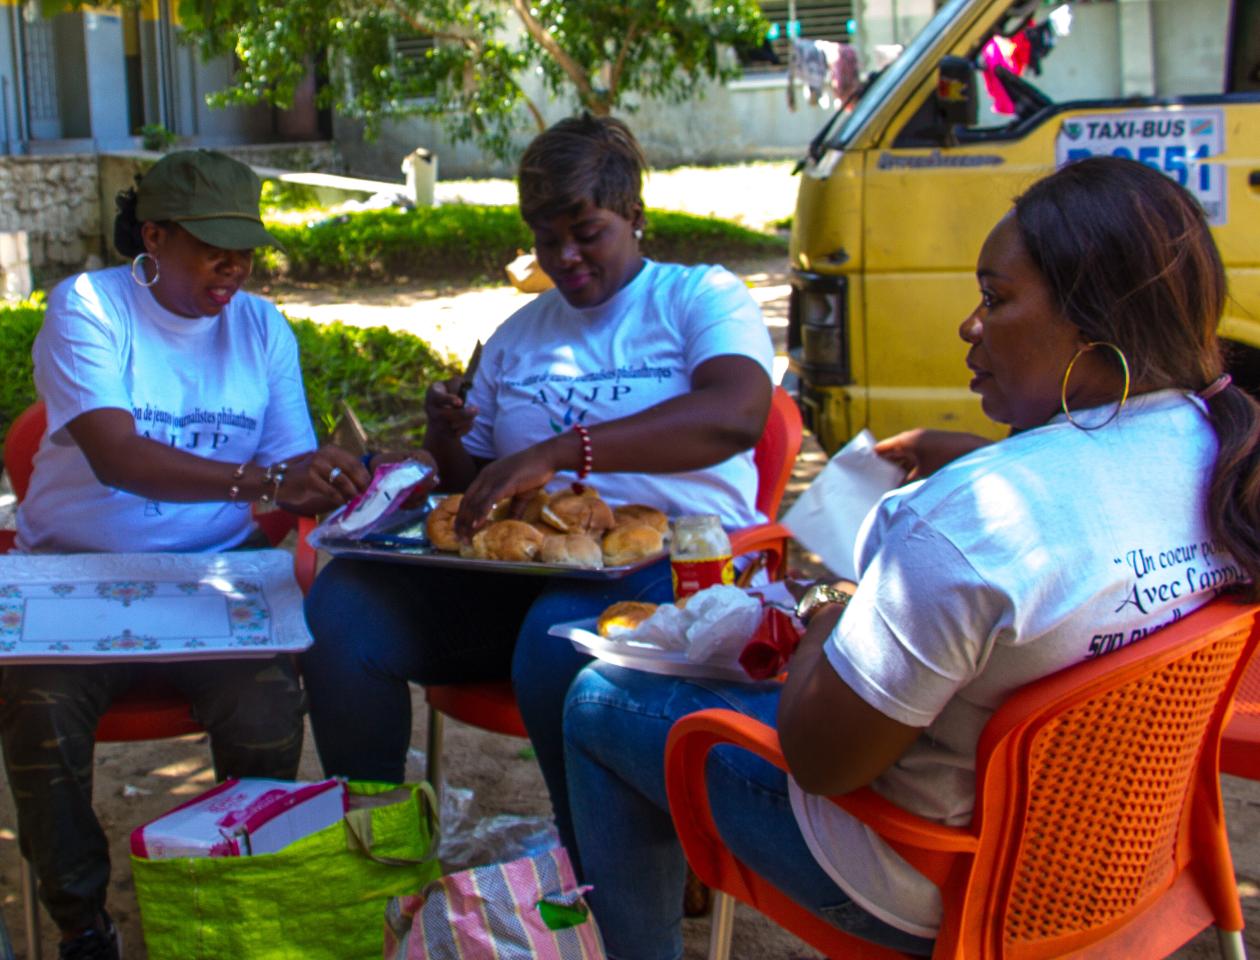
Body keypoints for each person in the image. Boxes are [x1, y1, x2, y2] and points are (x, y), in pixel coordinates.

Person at [560, 154, 1260, 959]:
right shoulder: (1226, 453)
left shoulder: (966, 521)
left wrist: (831, 607)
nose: (970, 324)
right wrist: (980, 461)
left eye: (995, 298)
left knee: (598, 701)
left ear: (1094, 323)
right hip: (1119, 854)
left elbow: (823, 762)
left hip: (936, 881)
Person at [301, 114, 775, 866]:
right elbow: (477, 493)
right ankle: (375, 863)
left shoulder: (699, 297)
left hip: (679, 572)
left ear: (634, 215)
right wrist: (446, 434)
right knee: (342, 610)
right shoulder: (519, 336)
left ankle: (605, 881)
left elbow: (736, 413)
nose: (564, 257)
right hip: (522, 577)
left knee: (556, 640)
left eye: (586, 233)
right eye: (545, 239)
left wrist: (564, 450)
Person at [0, 149, 372, 960]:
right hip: (73, 581)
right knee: (38, 714)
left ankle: (236, 895)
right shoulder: (89, 307)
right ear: (155, 236)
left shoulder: (261, 328)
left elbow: (290, 472)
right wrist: (264, 481)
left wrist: (343, 482)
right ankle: (82, 922)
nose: (234, 266)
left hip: (213, 575)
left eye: (246, 249)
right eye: (212, 247)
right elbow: (117, 458)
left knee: (267, 708)